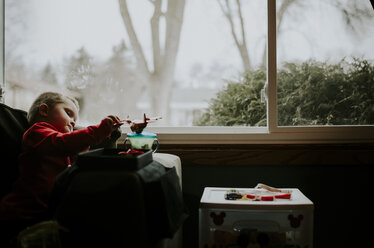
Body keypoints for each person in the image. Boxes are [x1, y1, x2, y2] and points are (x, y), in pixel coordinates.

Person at [0, 92, 122, 245]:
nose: (72, 122)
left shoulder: (61, 145)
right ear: (44, 111)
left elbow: (75, 156)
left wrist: (108, 132)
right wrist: (99, 130)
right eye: (68, 113)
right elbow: (64, 142)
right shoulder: (36, 132)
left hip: (48, 212)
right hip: (23, 214)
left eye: (74, 119)